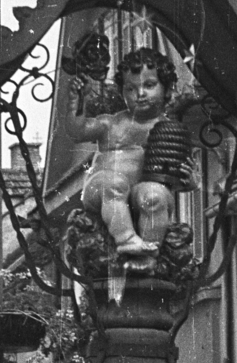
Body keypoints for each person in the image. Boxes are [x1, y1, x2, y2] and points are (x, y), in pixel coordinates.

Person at [64, 45, 180, 259]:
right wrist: (76, 103)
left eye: (149, 85)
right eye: (131, 89)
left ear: (167, 88)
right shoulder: (111, 124)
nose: (140, 94)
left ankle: (150, 252)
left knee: (154, 195)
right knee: (113, 182)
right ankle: (126, 240)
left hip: (141, 195)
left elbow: (180, 172)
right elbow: (77, 131)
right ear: (122, 91)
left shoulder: (169, 131)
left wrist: (191, 179)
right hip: (101, 190)